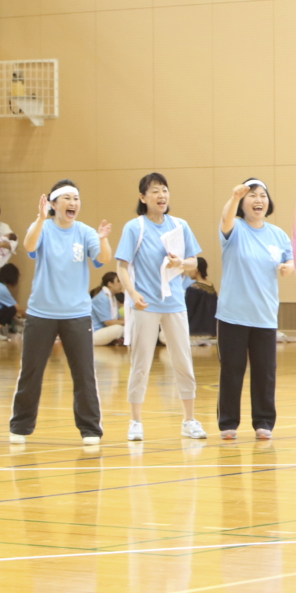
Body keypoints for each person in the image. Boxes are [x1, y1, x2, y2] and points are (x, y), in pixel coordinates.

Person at [8, 179, 112, 445]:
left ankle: (90, 429)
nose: (73, 203)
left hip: (76, 314)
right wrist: (41, 219)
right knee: (31, 371)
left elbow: (103, 259)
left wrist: (102, 240)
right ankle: (20, 426)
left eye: (75, 198)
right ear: (53, 204)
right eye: (66, 198)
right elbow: (29, 247)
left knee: (84, 374)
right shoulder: (41, 227)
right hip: (41, 313)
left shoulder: (85, 232)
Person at [116, 173, 205, 441]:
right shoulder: (135, 227)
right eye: (155, 191)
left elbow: (194, 263)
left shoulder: (179, 226)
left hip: (175, 302)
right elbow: (121, 267)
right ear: (143, 197)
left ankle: (189, 420)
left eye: (164, 190)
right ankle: (135, 421)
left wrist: (181, 263)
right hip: (145, 304)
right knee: (140, 362)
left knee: (183, 361)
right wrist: (132, 294)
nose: (161, 195)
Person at [216, 179, 292, 441]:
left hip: (264, 316)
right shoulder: (234, 228)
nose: (258, 200)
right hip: (232, 316)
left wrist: (288, 266)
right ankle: (228, 422)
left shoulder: (277, 235)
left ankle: (264, 422)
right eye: (252, 196)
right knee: (231, 371)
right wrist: (234, 197)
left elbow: (289, 257)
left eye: (262, 195)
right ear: (242, 203)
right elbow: (226, 218)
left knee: (264, 373)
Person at [91, 271, 125, 346]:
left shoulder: (112, 298)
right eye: (118, 281)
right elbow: (108, 322)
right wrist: (127, 322)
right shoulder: (102, 298)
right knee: (118, 329)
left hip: (103, 330)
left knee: (129, 327)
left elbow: (118, 318)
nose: (121, 284)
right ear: (110, 284)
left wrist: (130, 321)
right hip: (95, 333)